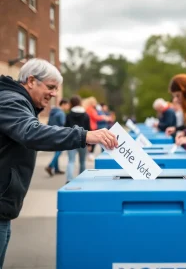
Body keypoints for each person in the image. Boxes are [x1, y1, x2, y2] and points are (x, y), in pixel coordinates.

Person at [0, 58, 118, 268]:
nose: (54, 94)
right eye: (51, 87)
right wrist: (85, 136)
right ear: (31, 81)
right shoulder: (10, 101)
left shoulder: (18, 101)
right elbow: (31, 132)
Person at [65, 95, 91, 183]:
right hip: (83, 139)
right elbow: (88, 128)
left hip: (71, 140)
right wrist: (90, 143)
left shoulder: (68, 115)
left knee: (71, 161)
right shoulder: (85, 115)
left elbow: (65, 128)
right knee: (82, 161)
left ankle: (69, 179)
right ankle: (82, 179)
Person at [45, 98, 70, 176]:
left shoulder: (53, 112)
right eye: (67, 105)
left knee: (57, 151)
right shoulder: (61, 113)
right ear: (63, 104)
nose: (68, 107)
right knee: (59, 151)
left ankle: (56, 169)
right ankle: (50, 166)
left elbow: (48, 123)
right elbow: (63, 124)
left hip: (52, 133)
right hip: (59, 134)